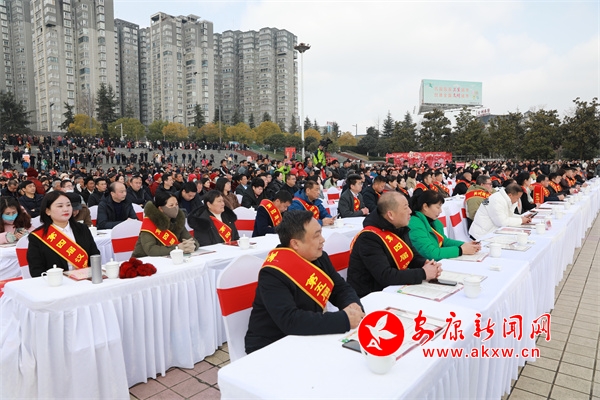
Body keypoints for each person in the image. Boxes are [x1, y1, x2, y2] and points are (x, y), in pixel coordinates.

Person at [245, 210, 364, 354]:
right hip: (271, 344)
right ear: (295, 243)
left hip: (306, 335)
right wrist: (343, 320)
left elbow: (340, 288)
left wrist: (352, 304)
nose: (323, 240)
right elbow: (290, 320)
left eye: (321, 233)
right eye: (316, 235)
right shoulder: (273, 272)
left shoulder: (320, 257)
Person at [347, 192, 442, 298]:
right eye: (405, 208)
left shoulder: (399, 227)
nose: (410, 211)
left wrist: (425, 264)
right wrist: (423, 273)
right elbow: (385, 275)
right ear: (390, 215)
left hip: (394, 288)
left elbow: (412, 256)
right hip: (371, 296)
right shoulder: (369, 238)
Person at [27, 191, 100, 277]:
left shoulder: (82, 229)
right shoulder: (38, 236)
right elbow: (36, 270)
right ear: (48, 211)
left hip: (85, 280)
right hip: (56, 283)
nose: (66, 209)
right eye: (60, 206)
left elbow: (94, 256)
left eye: (68, 205)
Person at [408, 190, 480, 261]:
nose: (441, 211)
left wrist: (464, 245)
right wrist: (461, 250)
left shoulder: (434, 222)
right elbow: (431, 253)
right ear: (425, 207)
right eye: (438, 207)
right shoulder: (415, 225)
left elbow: (444, 241)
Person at [132, 192, 199, 257]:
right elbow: (150, 249)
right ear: (161, 208)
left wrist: (192, 246)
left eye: (176, 204)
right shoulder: (150, 222)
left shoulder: (177, 220)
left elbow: (191, 240)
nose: (175, 208)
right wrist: (177, 248)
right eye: (171, 205)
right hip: (143, 259)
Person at [469, 183, 533, 240]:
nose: (517, 201)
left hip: (490, 232)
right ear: (510, 195)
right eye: (517, 198)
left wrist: (521, 217)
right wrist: (521, 220)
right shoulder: (496, 200)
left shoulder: (503, 198)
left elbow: (507, 215)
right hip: (481, 235)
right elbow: (502, 222)